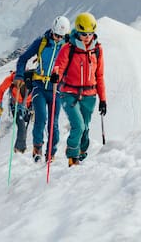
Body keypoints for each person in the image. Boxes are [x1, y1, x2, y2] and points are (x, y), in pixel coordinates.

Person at [50, 12, 107, 167]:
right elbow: (59, 67)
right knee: (79, 126)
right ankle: (72, 156)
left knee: (86, 128)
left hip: (90, 95)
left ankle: (82, 151)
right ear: (78, 31)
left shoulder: (97, 50)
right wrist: (55, 76)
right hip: (69, 94)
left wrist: (103, 99)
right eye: (83, 34)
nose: (87, 37)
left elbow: (99, 76)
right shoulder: (69, 48)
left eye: (90, 33)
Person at [14, 16, 70, 162]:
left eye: (61, 36)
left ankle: (51, 153)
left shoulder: (67, 47)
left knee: (54, 124)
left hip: (56, 90)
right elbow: (23, 58)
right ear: (52, 30)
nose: (58, 39)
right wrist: (19, 76)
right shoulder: (42, 42)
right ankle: (37, 149)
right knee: (41, 120)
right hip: (39, 86)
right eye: (56, 35)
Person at [0, 70, 33, 153]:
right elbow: (1, 90)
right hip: (16, 106)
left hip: (28, 106)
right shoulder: (12, 79)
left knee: (25, 125)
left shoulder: (33, 79)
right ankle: (19, 149)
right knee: (21, 126)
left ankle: (21, 147)